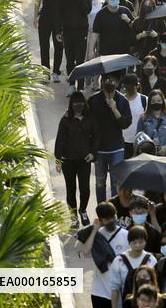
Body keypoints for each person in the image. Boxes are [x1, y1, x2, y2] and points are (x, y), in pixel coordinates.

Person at [54, 90, 98, 229]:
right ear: (71, 104)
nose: (78, 105)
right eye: (75, 103)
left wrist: (93, 153)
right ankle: (73, 215)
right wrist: (58, 160)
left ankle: (83, 210)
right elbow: (60, 140)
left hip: (84, 160)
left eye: (80, 102)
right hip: (68, 160)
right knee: (71, 189)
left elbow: (96, 137)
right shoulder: (65, 119)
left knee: (85, 188)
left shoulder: (90, 118)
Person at [88, 72, 132, 202]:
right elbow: (87, 122)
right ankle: (101, 210)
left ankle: (114, 210)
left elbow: (126, 123)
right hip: (99, 149)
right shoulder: (94, 100)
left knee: (115, 183)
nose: (109, 83)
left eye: (113, 81)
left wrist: (114, 109)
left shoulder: (122, 101)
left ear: (118, 84)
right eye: (107, 80)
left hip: (116, 148)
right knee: (100, 183)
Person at [34, 0, 70, 81]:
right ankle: (45, 72)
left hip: (59, 17)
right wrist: (35, 15)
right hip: (45, 15)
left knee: (59, 45)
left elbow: (67, 0)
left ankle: (56, 71)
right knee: (44, 44)